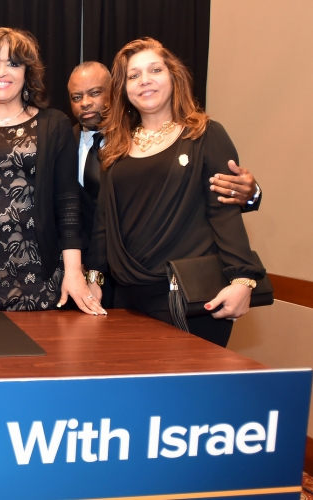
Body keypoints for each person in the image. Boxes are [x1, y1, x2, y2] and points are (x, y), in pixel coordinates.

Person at [85, 38, 264, 347]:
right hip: (127, 296)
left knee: (192, 395)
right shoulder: (114, 148)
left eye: (155, 70)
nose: (145, 81)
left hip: (190, 298)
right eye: (133, 75)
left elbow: (224, 211)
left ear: (173, 76)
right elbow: (104, 221)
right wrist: (94, 277)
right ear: (124, 89)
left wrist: (243, 280)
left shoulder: (205, 134)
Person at [0, 27, 104, 315]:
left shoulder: (54, 124)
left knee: (39, 357)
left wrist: (74, 272)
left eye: (13, 63)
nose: (2, 72)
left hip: (37, 275)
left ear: (28, 73)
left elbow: (67, 204)